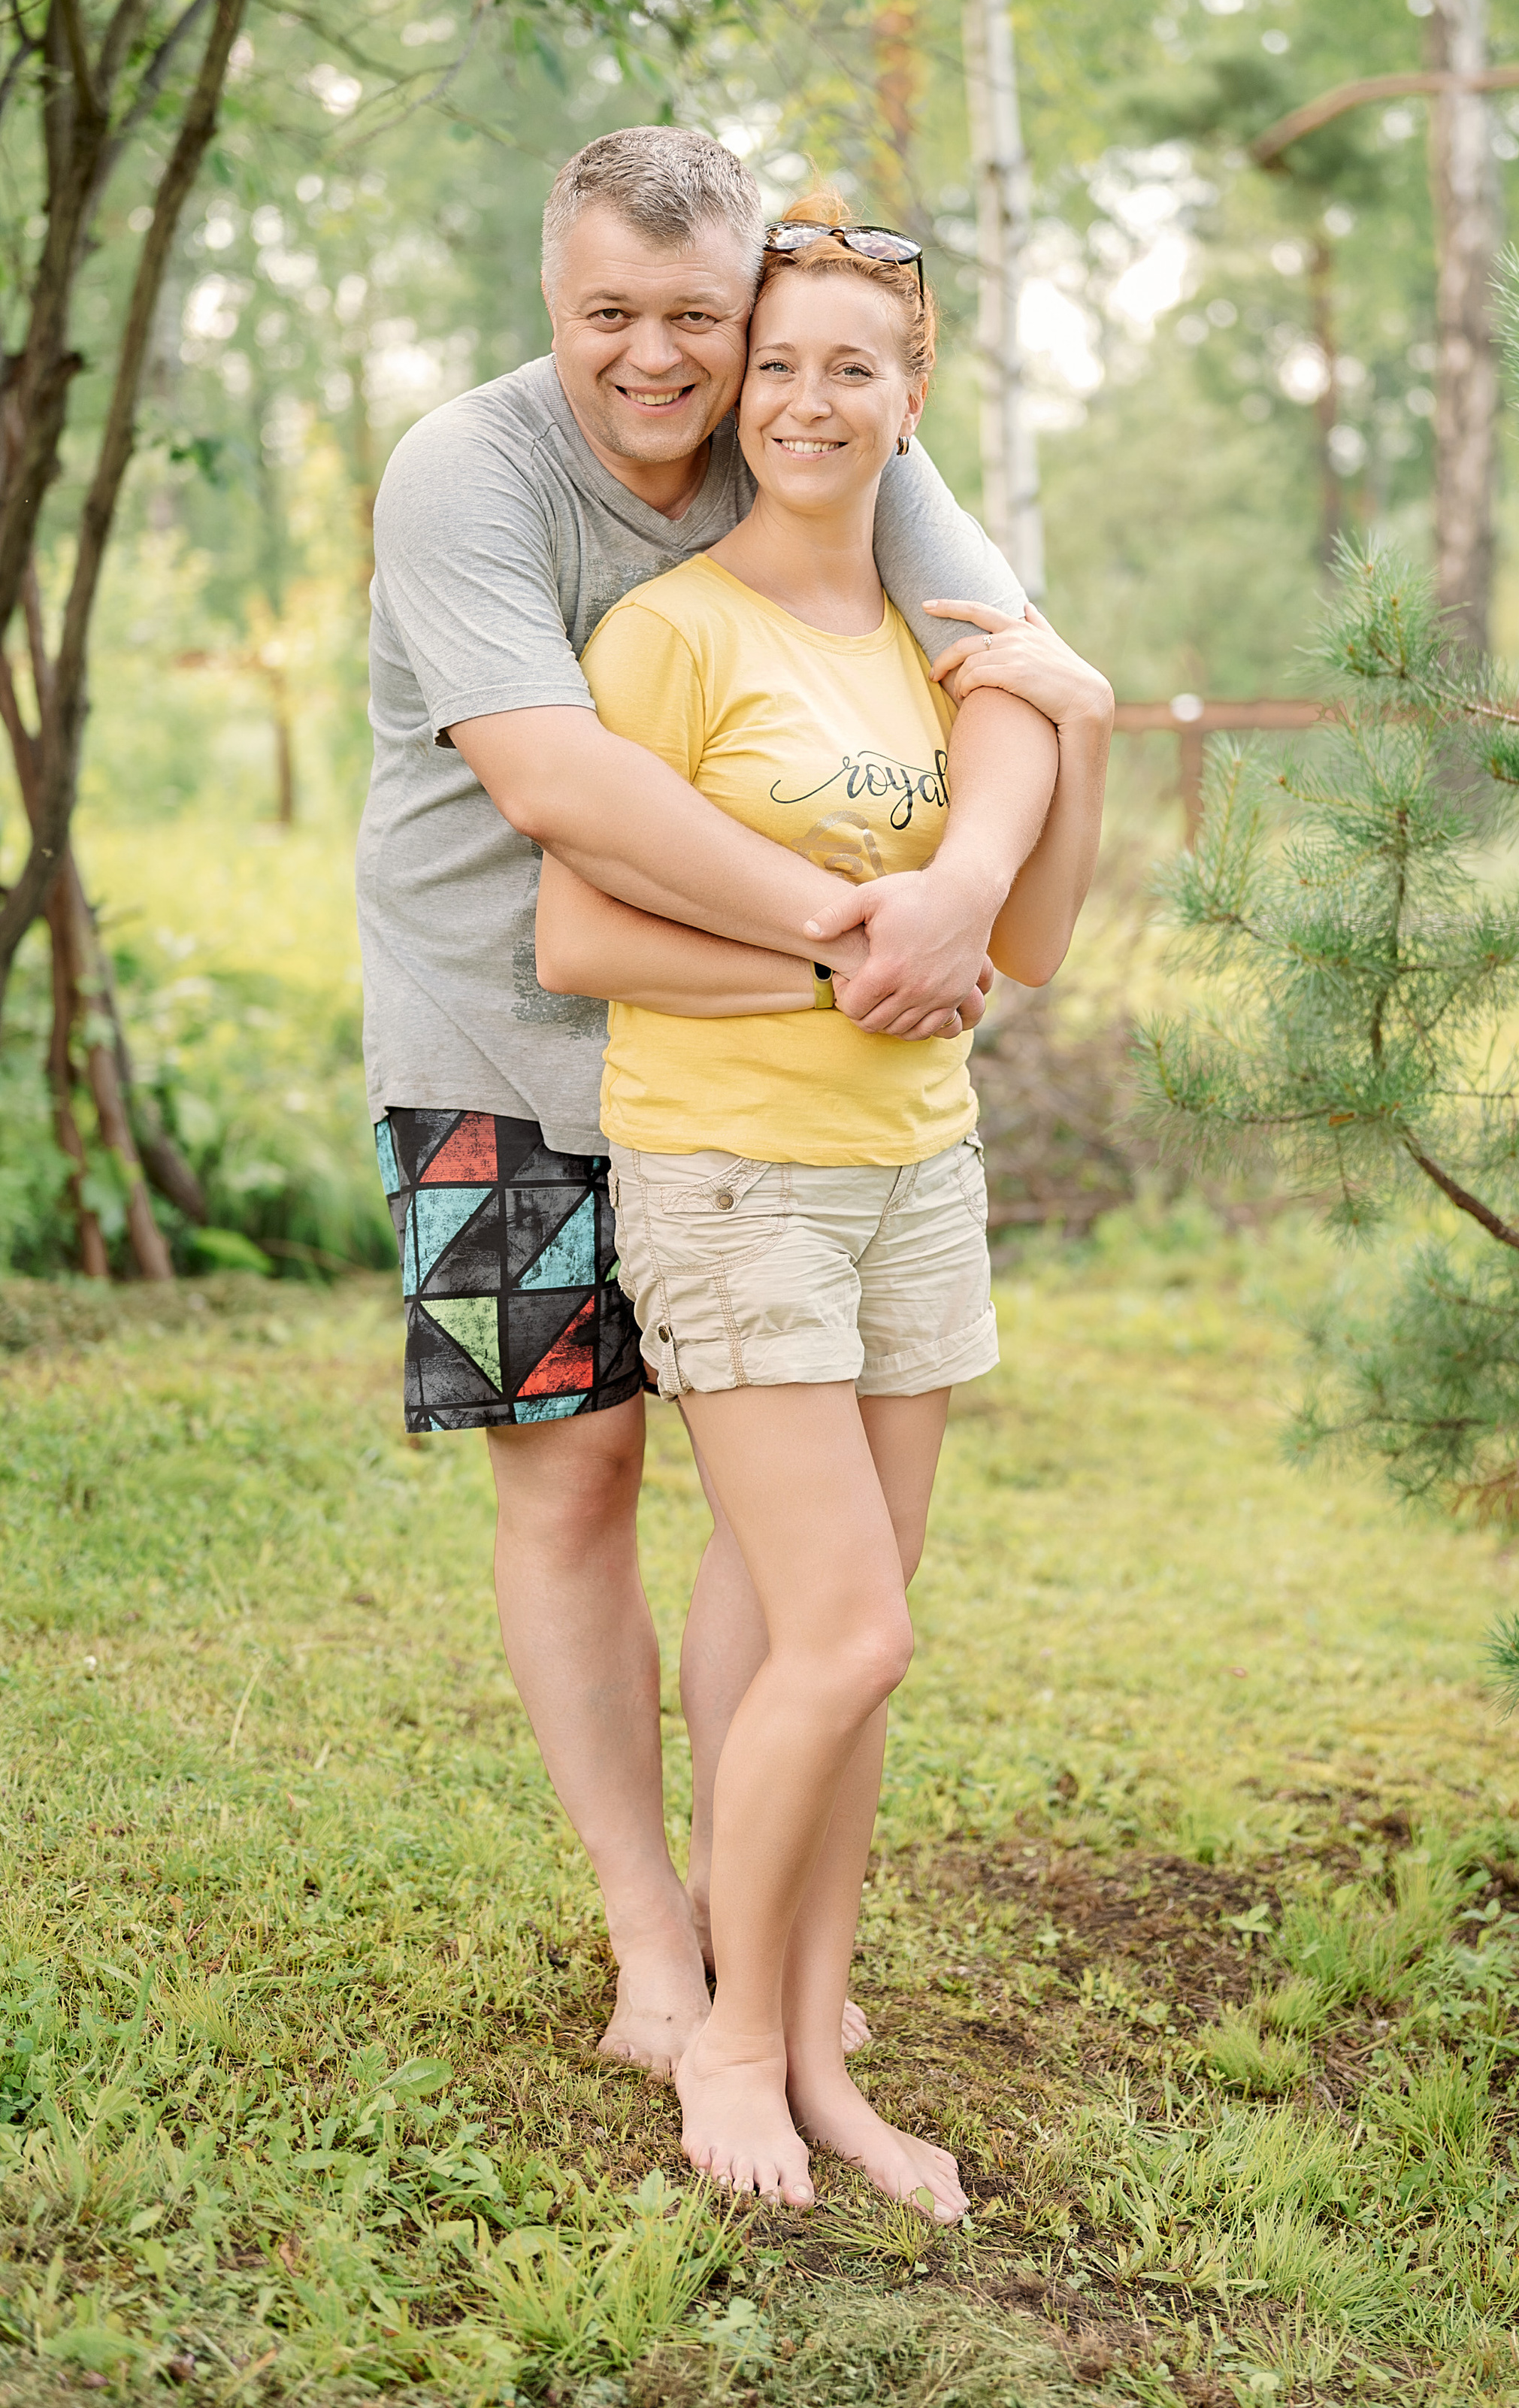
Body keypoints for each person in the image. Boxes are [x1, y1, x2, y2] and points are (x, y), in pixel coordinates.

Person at [358, 128, 1083, 2079]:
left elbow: (1017, 674)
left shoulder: (830, 424)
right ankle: (647, 1939)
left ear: (755, 306)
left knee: (783, 1535)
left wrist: (957, 893)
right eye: (613, 313)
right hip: (493, 1051)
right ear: (552, 296)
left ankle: (748, 1918)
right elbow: (560, 793)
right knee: (576, 1470)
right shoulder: (471, 474)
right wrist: (863, 948)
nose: (660, 360)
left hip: (760, 1077)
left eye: (700, 315)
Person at [536, 194, 1113, 2218]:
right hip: (734, 1178)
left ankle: (823, 2042)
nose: (800, 397)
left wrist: (1085, 717)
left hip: (914, 1184)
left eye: (847, 364)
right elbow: (578, 923)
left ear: (911, 392)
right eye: (773, 363)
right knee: (851, 1630)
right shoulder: (677, 631)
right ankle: (734, 2045)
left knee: (840, 1638)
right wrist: (831, 972)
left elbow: (1026, 937)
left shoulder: (945, 656)